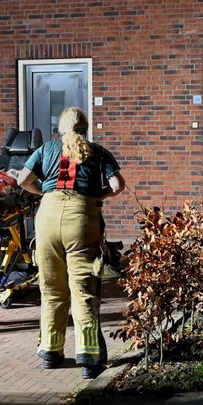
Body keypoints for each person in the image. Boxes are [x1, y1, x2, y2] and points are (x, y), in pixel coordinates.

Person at [16, 106, 125, 379]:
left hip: (47, 218)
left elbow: (22, 180)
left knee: (52, 288)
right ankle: (88, 358)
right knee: (83, 288)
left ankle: (50, 352)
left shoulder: (47, 149)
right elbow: (117, 186)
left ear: (61, 128)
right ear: (85, 127)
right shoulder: (98, 152)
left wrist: (45, 191)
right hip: (82, 219)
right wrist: (97, 195)